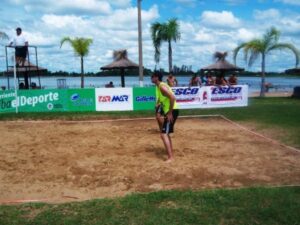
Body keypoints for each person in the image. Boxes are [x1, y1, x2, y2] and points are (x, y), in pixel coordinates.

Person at [152, 71, 179, 163]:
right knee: (165, 134)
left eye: (152, 76)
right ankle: (170, 153)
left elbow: (172, 97)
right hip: (170, 110)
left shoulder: (162, 86)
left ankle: (171, 157)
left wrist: (170, 112)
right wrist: (157, 103)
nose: (151, 78)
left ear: (156, 78)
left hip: (171, 111)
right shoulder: (158, 86)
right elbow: (161, 98)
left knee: (163, 134)